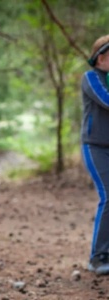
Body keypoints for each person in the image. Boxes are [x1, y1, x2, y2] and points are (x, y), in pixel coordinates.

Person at [81, 34, 109, 275]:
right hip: (95, 146)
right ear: (101, 57)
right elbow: (106, 100)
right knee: (108, 195)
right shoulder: (90, 78)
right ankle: (97, 258)